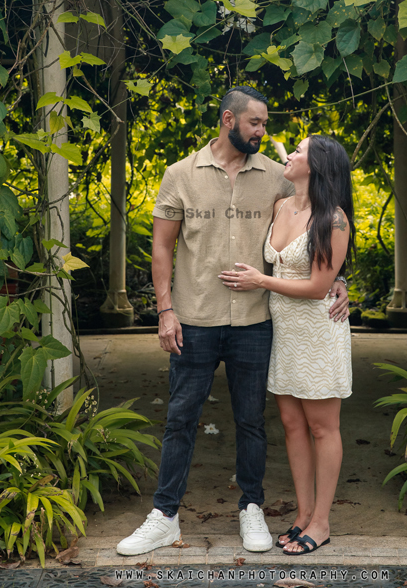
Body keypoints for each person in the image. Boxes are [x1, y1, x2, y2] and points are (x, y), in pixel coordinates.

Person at [116, 88, 349, 557]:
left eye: (265, 125)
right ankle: (164, 516)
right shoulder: (180, 174)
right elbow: (161, 246)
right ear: (229, 120)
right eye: (256, 124)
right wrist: (164, 311)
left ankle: (252, 508)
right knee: (180, 419)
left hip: (255, 322)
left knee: (252, 423)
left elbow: (323, 217)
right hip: (194, 318)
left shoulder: (279, 179)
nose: (264, 132)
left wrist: (339, 278)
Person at [219, 135, 354, 556]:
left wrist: (260, 281)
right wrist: (283, 151)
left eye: (299, 150)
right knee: (293, 426)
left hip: (318, 332)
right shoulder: (282, 205)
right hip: (285, 334)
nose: (289, 155)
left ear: (316, 166)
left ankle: (323, 522)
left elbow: (317, 287)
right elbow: (284, 160)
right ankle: (303, 512)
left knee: (321, 427)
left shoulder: (334, 220)